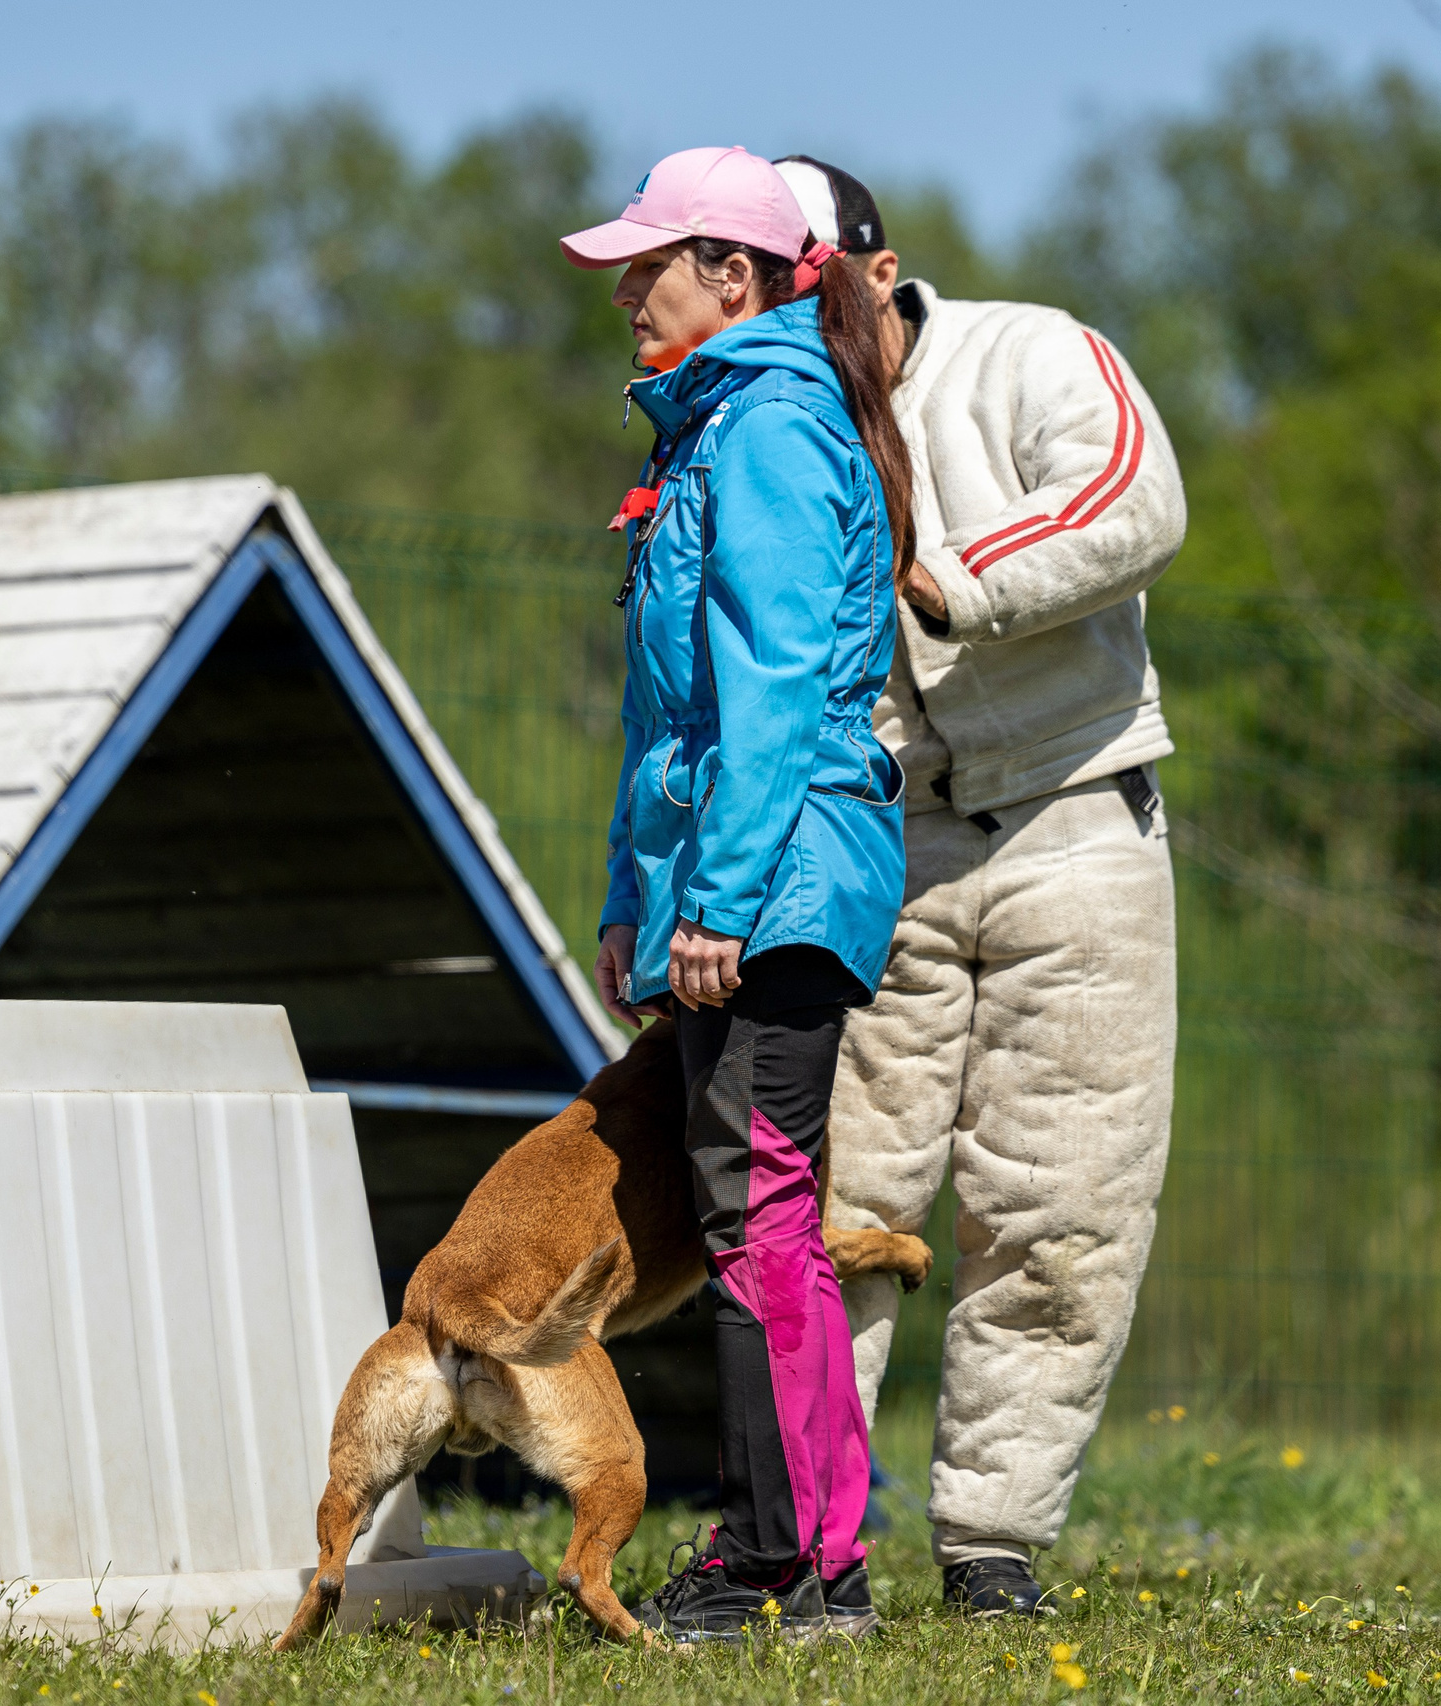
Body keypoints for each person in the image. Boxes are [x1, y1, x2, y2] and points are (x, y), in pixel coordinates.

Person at [771, 155, 1188, 1618]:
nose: (791, 322)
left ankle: (993, 1538)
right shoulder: (775, 418)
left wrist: (949, 577)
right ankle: (806, 1539)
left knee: (1062, 1203)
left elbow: (1136, 491)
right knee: (839, 1199)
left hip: (1076, 817)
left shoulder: (1032, 350)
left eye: (809, 292)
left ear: (879, 276)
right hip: (884, 842)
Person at [561, 145, 914, 1643]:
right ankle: (801, 1549)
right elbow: (675, 719)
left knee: (759, 1212)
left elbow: (769, 692)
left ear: (744, 275)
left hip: (781, 875)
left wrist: (719, 893)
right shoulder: (719, 428)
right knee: (752, 1213)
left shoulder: (767, 428)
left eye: (658, 259)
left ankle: (799, 1561)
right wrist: (639, 894)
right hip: (736, 875)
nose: (630, 288)